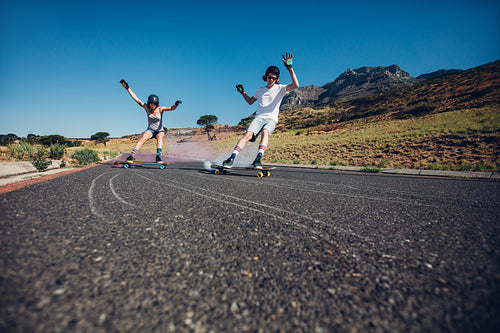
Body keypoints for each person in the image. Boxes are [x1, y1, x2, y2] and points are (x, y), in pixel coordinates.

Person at [223, 52, 299, 169]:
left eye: (274, 78)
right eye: (269, 77)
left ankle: (258, 160)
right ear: (266, 77)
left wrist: (290, 69)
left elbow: (295, 84)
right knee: (247, 135)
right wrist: (243, 93)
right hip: (259, 117)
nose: (271, 80)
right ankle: (231, 158)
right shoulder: (260, 90)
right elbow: (250, 101)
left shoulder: (280, 89)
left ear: (276, 79)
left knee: (265, 132)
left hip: (271, 119)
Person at [120, 79, 182, 163]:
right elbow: (136, 99)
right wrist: (127, 88)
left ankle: (158, 157)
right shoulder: (146, 108)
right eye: (151, 103)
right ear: (149, 103)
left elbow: (171, 108)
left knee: (159, 137)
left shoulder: (160, 109)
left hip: (160, 130)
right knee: (143, 138)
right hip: (150, 130)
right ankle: (131, 156)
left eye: (154, 104)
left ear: (157, 104)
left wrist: (176, 104)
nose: (152, 105)